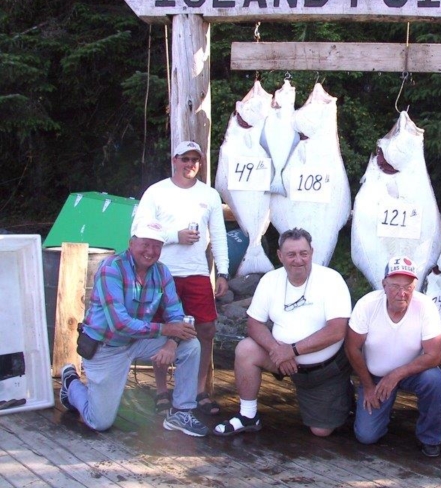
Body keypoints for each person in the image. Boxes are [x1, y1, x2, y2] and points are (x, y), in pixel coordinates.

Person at [59, 221, 208, 437]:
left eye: (156, 246)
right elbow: (120, 324)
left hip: (138, 341)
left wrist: (171, 343)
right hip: (107, 346)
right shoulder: (111, 268)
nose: (151, 251)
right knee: (99, 421)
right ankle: (71, 383)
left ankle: (181, 412)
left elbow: (177, 315)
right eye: (145, 244)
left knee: (190, 345)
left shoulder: (162, 272)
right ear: (131, 244)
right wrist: (167, 330)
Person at [213, 228, 352, 437]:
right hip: (280, 358)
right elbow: (254, 324)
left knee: (321, 432)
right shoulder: (270, 280)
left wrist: (292, 350)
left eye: (303, 253)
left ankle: (344, 390)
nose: (298, 260)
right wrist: (277, 350)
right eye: (291, 254)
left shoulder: (331, 279)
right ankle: (248, 415)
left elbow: (337, 331)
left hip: (323, 371)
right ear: (280, 255)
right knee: (246, 349)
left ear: (312, 252)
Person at [133, 140, 229, 415]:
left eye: (194, 159)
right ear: (174, 160)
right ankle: (162, 390)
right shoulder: (156, 192)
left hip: (197, 272)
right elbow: (138, 229)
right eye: (184, 159)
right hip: (162, 272)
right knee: (163, 328)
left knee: (206, 329)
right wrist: (176, 236)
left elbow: (218, 235)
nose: (189, 164)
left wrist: (223, 271)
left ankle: (199, 390)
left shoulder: (209, 195)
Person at [345, 256, 441, 458]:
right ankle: (378, 414)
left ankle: (430, 438)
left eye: (408, 287)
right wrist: (368, 385)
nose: (402, 293)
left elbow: (435, 355)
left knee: (435, 380)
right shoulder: (367, 305)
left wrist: (397, 374)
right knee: (366, 436)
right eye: (395, 286)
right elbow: (351, 348)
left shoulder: (426, 306)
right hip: (375, 375)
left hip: (412, 372)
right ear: (384, 284)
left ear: (415, 287)